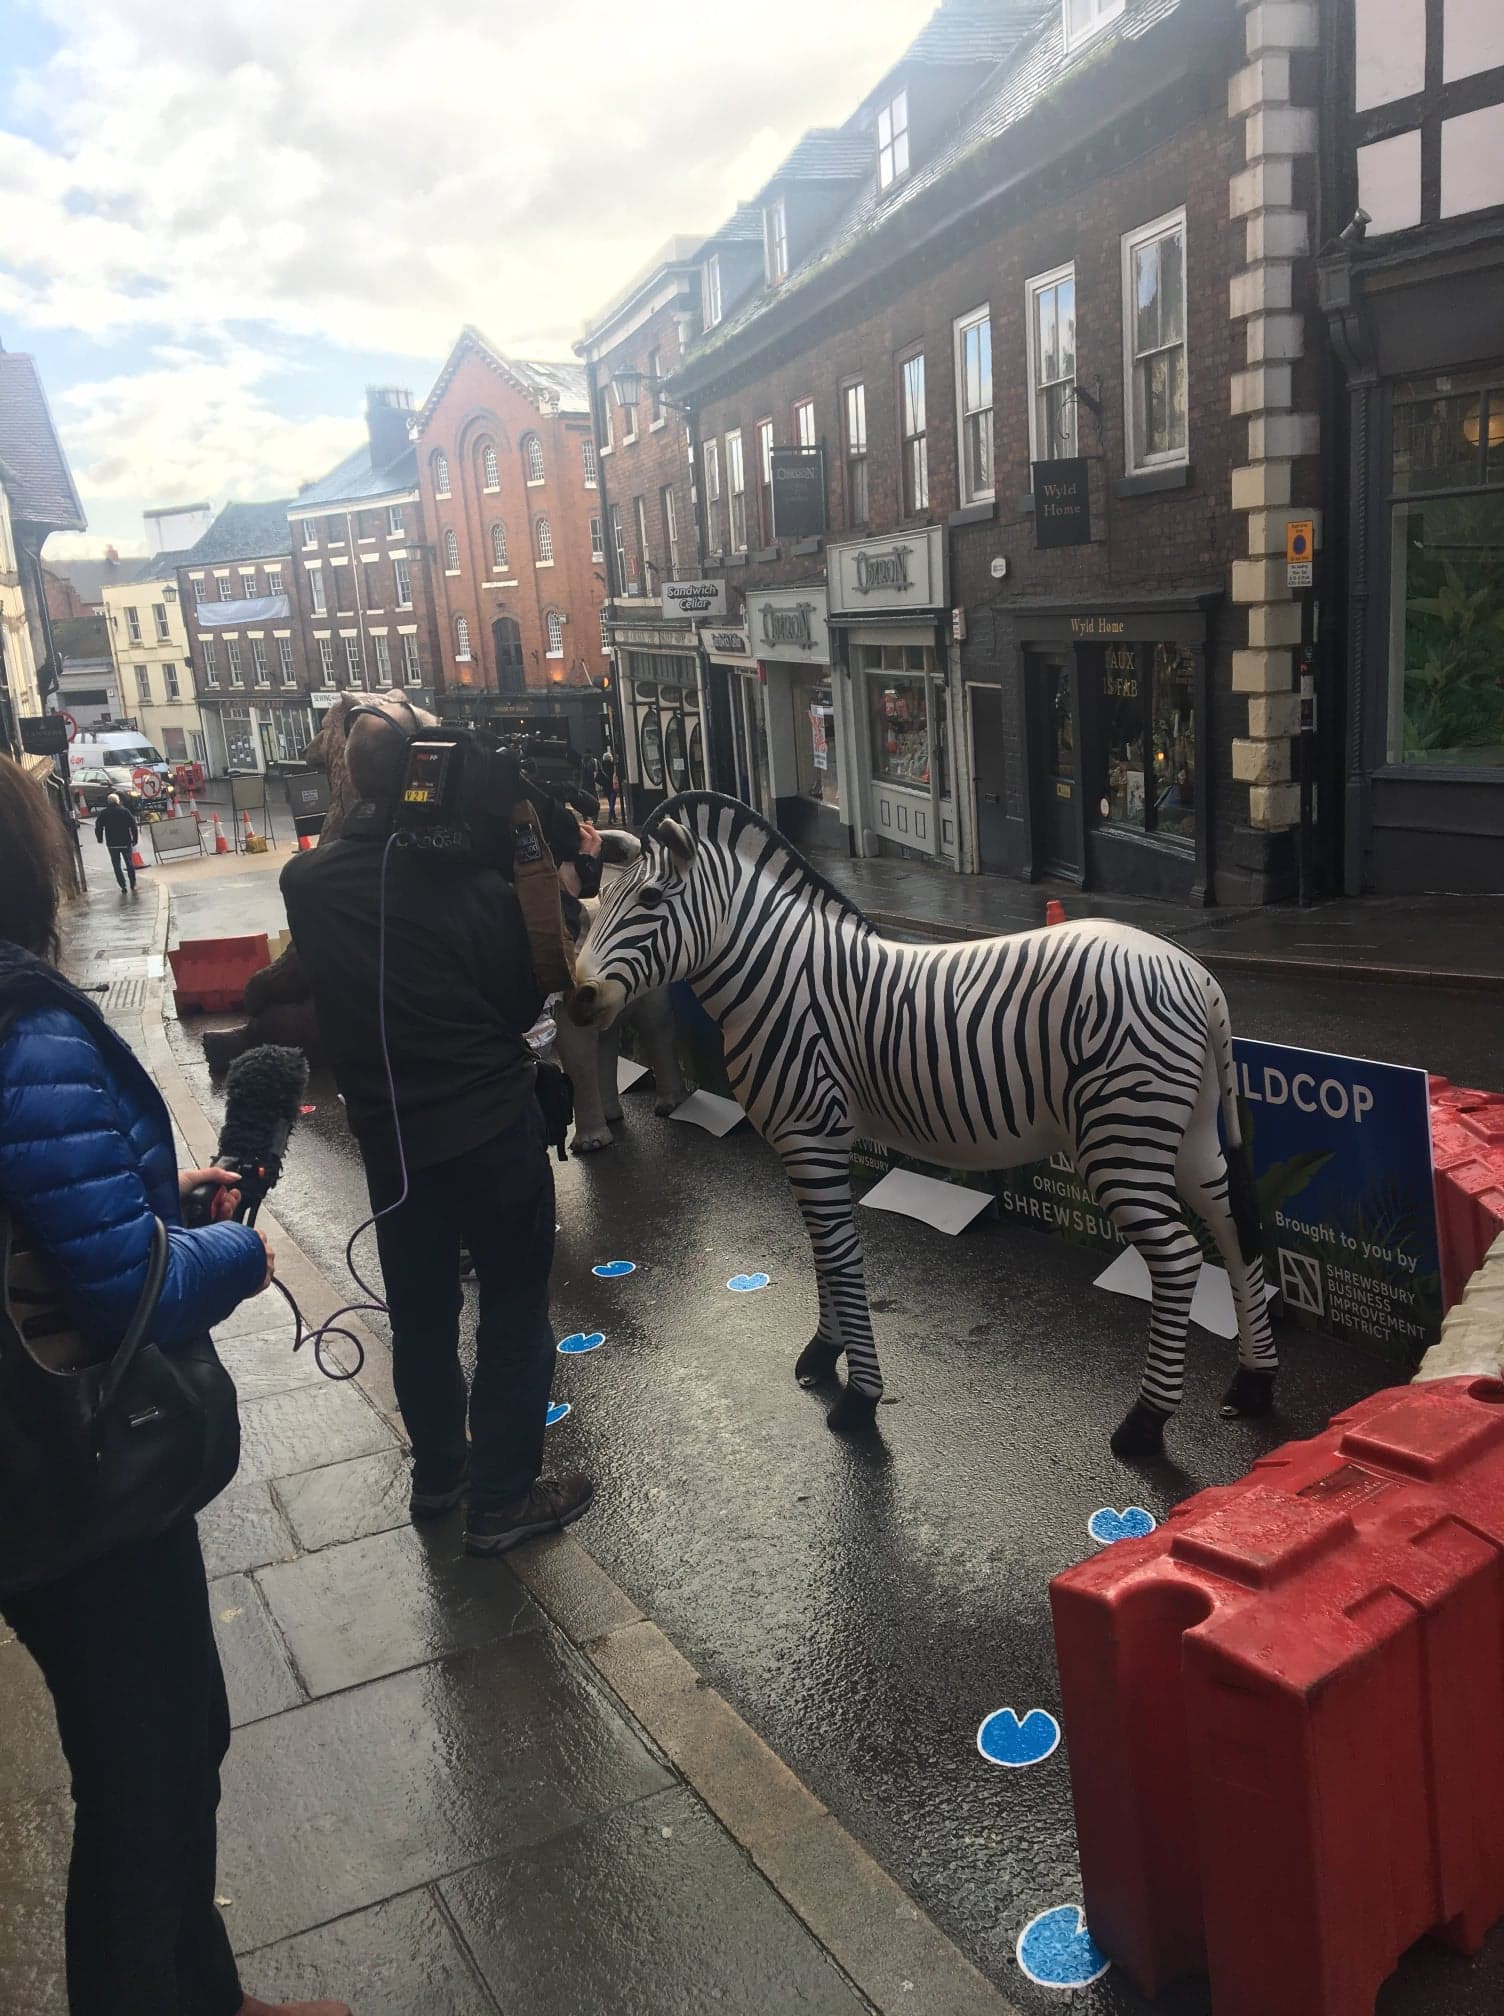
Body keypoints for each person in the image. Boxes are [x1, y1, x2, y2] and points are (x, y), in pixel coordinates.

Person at [0, 757, 349, 2016]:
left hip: (39, 1478)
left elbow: (52, 1223)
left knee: (171, 1743)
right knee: (146, 1779)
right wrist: (236, 1249)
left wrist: (159, 1204)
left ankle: (210, 1995)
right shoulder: (21, 1022)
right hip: (72, 1481)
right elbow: (118, 1293)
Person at [281, 715, 593, 1558]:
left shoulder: (306, 885)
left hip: (394, 1148)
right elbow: (527, 1000)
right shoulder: (474, 892)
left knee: (421, 1318)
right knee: (515, 1314)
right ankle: (500, 1499)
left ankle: (439, 1477)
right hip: (491, 1131)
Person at [94, 790, 138, 892]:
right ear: (118, 801)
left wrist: (99, 838)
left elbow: (98, 826)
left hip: (112, 844)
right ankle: (133, 883)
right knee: (129, 863)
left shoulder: (104, 813)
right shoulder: (124, 811)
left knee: (116, 864)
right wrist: (135, 839)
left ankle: (122, 885)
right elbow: (133, 825)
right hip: (125, 842)